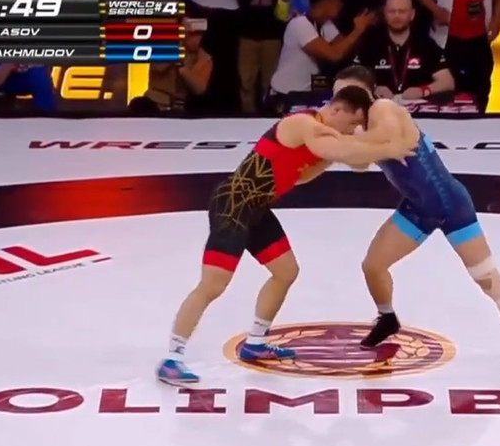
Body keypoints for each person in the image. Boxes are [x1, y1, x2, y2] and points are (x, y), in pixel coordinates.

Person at [158, 85, 419, 385]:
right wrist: (387, 148)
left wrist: (375, 140)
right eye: (351, 123)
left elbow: (356, 162)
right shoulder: (302, 124)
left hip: (256, 209)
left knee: (286, 271)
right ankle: (172, 358)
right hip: (233, 205)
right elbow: (338, 151)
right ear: (336, 110)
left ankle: (255, 343)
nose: (352, 130)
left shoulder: (325, 139)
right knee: (212, 285)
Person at [331, 66, 500, 368]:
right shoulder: (361, 128)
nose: (343, 102)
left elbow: (386, 138)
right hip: (418, 207)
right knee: (373, 266)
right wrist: (349, 141)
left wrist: (343, 142)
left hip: (450, 205)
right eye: (338, 96)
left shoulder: (383, 109)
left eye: (349, 93)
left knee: (486, 279)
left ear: (368, 93)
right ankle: (387, 318)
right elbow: (361, 165)